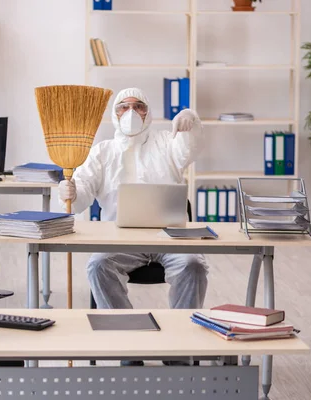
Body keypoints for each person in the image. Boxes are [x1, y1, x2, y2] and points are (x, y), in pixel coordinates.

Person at [58, 87, 209, 313]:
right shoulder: (102, 151)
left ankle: (184, 332)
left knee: (193, 264)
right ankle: (123, 328)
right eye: (124, 107)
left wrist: (191, 120)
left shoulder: (168, 142)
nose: (131, 112)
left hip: (170, 238)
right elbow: (82, 192)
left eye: (138, 106)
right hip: (119, 240)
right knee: (98, 265)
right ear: (115, 114)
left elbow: (191, 150)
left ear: (148, 113)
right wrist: (71, 192)